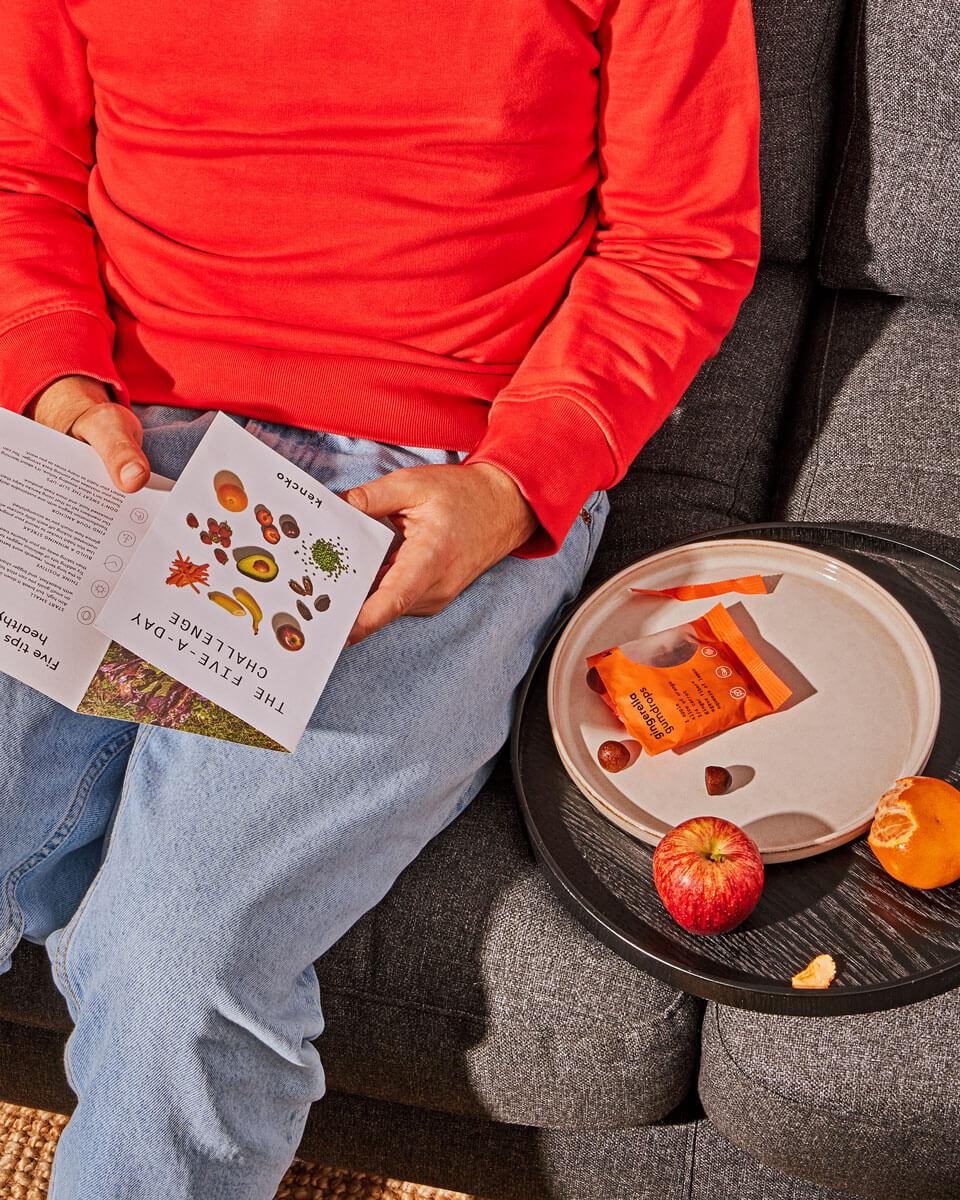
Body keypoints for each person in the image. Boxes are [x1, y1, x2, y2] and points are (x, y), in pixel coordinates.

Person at [0, 0, 760, 1195]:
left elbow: (680, 242)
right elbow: (16, 169)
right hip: (114, 436)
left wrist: (515, 486)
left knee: (174, 962)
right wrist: (48, 376)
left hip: (426, 482)